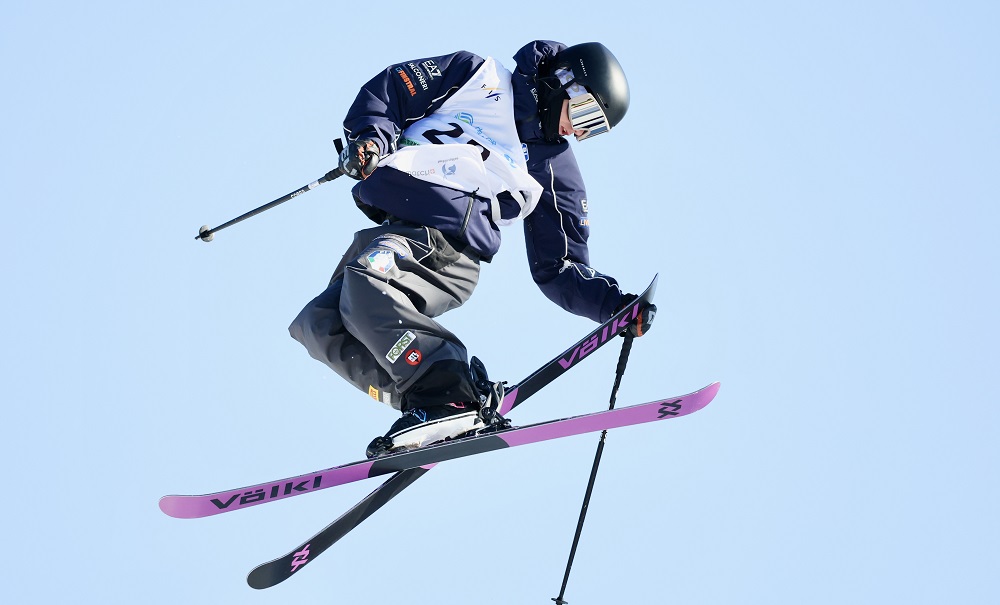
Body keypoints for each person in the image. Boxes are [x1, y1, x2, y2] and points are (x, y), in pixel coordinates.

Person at [289, 40, 655, 459]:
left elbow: (561, 264)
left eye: (594, 130)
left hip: (447, 246)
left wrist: (613, 306)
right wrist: (370, 140)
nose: (578, 132)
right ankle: (431, 405)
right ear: (564, 81)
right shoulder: (479, 77)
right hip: (398, 228)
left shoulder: (554, 168)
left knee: (368, 283)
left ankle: (449, 394)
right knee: (319, 324)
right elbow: (393, 90)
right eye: (586, 115)